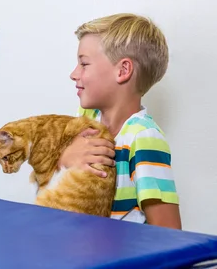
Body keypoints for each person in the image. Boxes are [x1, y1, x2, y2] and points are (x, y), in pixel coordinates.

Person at [59, 13, 181, 229]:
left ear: (123, 71)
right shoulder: (86, 119)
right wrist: (66, 157)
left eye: (84, 64)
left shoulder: (143, 137)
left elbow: (169, 232)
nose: (73, 74)